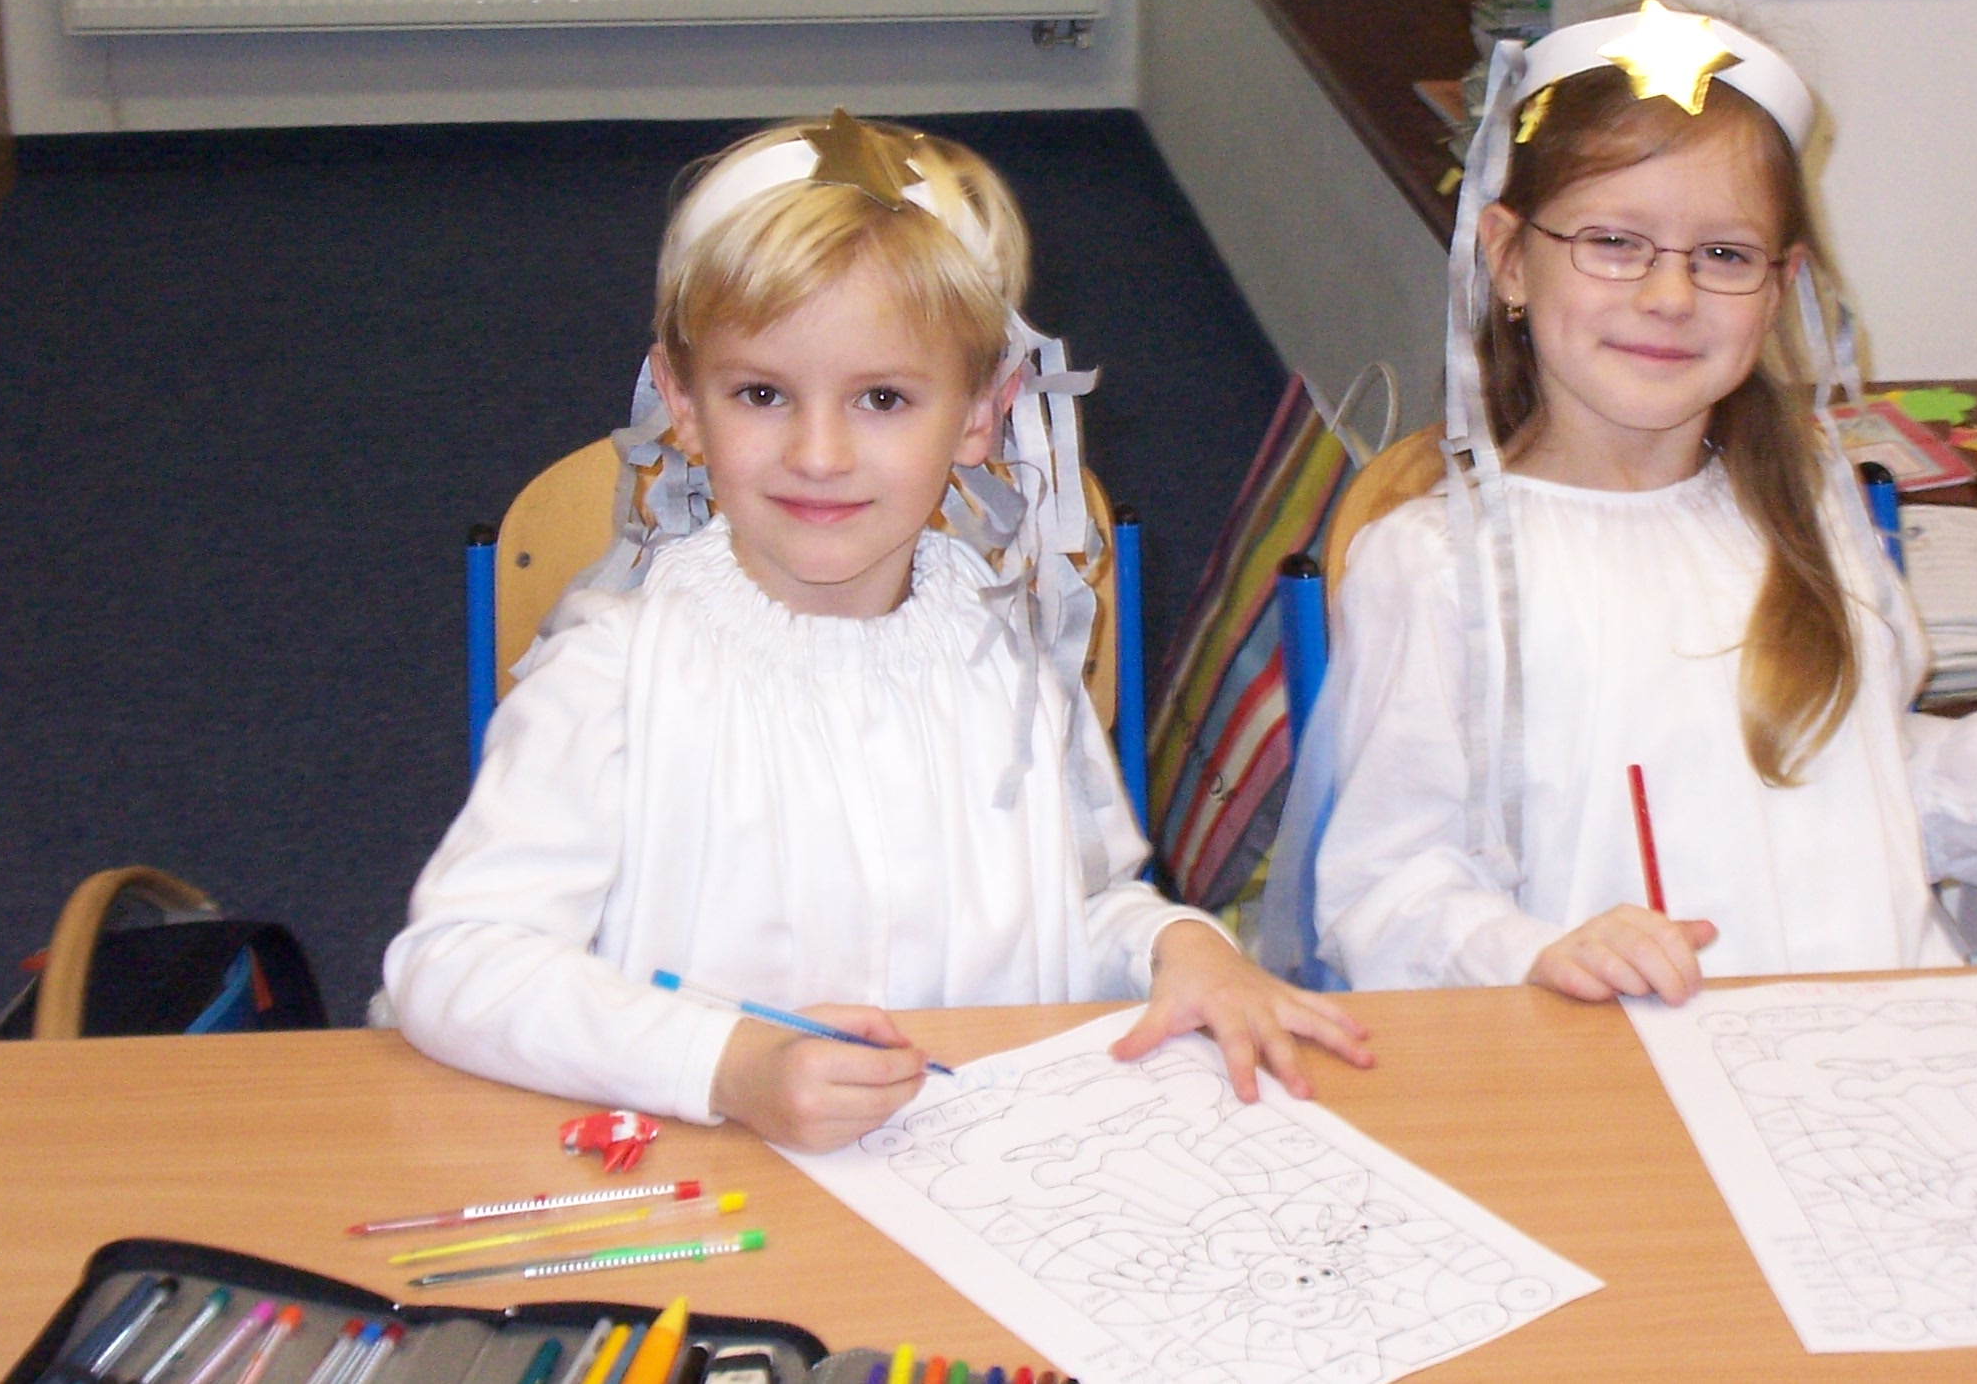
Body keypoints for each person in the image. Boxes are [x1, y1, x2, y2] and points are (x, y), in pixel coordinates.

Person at [387, 113, 1369, 1150]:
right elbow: (455, 960)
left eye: (884, 398)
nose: (819, 454)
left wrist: (1175, 944)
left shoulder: (1005, 656)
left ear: (981, 412)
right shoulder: (613, 677)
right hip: (717, 1173)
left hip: (980, 1169)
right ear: (682, 402)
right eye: (761, 393)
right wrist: (723, 1064)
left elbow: (1079, 900)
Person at [1296, 4, 1977, 1003]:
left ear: (1781, 287)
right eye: (1614, 242)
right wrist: (1534, 954)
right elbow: (1384, 893)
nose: (1669, 296)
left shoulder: (1807, 511)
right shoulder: (1444, 568)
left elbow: (1852, 790)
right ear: (1510, 257)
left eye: (1724, 256)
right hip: (1620, 1055)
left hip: (1868, 1035)